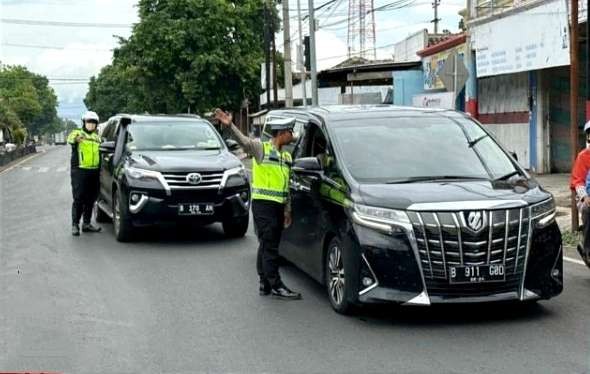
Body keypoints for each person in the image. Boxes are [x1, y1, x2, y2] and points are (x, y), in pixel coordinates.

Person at [214, 108, 302, 300]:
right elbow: (244, 142)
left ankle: (264, 282)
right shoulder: (261, 148)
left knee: (266, 245)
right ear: (281, 133)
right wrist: (230, 126)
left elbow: (286, 187)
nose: (292, 136)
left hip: (278, 207)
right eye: (290, 132)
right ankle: (276, 284)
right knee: (270, 246)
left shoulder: (286, 157)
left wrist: (287, 210)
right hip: (263, 206)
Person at [67, 111, 102, 236]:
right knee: (79, 198)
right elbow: (70, 139)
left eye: (93, 123)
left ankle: (86, 224)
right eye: (89, 122)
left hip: (94, 171)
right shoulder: (78, 133)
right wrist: (76, 139)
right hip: (80, 171)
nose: (91, 125)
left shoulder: (97, 138)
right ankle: (75, 225)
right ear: (84, 123)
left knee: (91, 198)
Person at [570, 121, 590, 267]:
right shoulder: (583, 157)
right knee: (588, 210)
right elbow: (578, 181)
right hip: (586, 198)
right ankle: (588, 250)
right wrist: (585, 196)